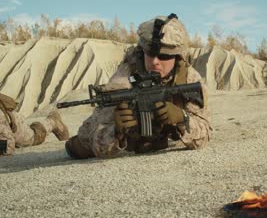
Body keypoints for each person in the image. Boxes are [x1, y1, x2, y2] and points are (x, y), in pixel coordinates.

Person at [64, 14, 211, 159]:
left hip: (162, 133)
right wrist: (116, 131)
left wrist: (182, 119)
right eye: (150, 54)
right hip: (99, 133)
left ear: (178, 57)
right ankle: (54, 124)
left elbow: (205, 135)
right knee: (78, 148)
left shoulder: (188, 79)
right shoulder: (125, 78)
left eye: (164, 56)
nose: (155, 62)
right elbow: (98, 143)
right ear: (142, 51)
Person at [0, 93, 69, 156]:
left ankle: (53, 122)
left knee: (34, 136)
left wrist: (4, 154)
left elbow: (7, 141)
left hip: (20, 134)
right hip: (13, 124)